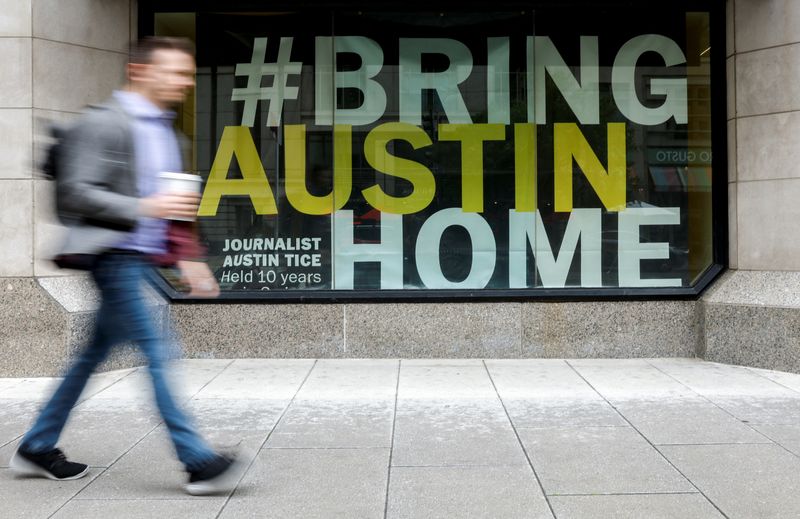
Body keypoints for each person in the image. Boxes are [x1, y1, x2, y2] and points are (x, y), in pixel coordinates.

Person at [10, 36, 243, 496]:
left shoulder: (169, 132)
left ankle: (37, 445)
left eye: (186, 74)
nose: (184, 82)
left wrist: (189, 258)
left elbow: (173, 207)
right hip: (113, 257)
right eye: (174, 72)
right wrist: (144, 207)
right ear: (140, 72)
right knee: (159, 350)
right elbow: (74, 193)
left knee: (89, 357)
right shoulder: (105, 124)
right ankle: (197, 461)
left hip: (140, 259)